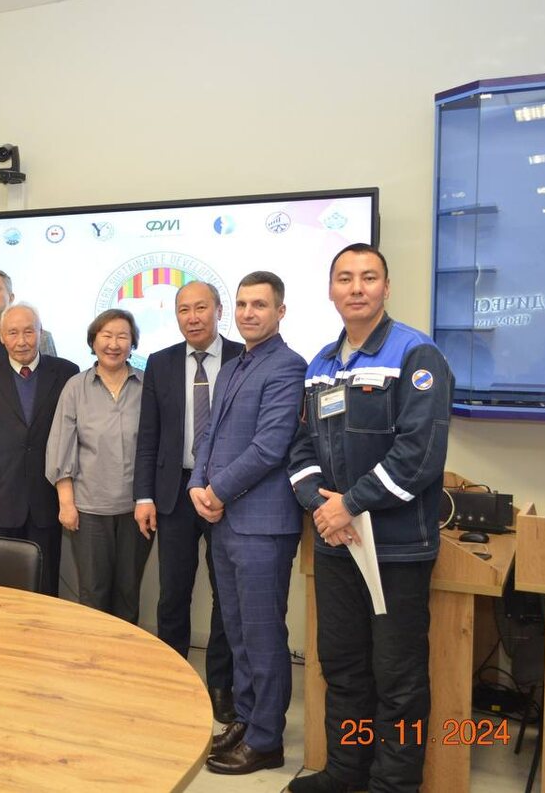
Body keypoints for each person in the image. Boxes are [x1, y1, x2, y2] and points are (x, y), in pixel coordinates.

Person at [287, 244, 453, 793]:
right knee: (343, 665)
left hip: (395, 548)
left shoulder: (416, 354)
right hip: (337, 544)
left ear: (386, 287)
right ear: (330, 290)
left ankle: (393, 784)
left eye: (368, 277)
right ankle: (346, 771)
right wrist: (322, 506)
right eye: (345, 278)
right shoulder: (321, 364)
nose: (356, 288)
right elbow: (302, 447)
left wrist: (350, 503)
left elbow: (419, 455)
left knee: (398, 676)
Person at [187, 272, 307, 775]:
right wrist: (197, 483)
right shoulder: (236, 364)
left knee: (261, 636)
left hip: (262, 525)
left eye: (259, 304)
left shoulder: (287, 365)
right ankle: (246, 719)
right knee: (236, 633)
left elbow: (270, 446)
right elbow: (209, 434)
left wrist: (215, 491)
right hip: (224, 522)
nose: (248, 313)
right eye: (241, 304)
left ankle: (266, 740)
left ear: (280, 311)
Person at [133, 280, 243, 723]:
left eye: (201, 308)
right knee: (172, 593)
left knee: (226, 594)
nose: (193, 317)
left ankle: (220, 685)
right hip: (174, 492)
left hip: (227, 492)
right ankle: (172, 680)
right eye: (184, 310)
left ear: (219, 310)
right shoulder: (159, 363)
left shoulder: (243, 357)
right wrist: (144, 495)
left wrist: (225, 487)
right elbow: (148, 436)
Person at [0, 303, 78, 595]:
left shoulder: (66, 372)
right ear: (2, 337)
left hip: (47, 496)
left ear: (41, 333)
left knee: (46, 583)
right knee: (1, 586)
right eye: (13, 333)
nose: (22, 340)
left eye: (29, 331)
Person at [46, 309, 151, 621]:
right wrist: (66, 503)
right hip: (89, 508)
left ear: (133, 343)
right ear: (93, 341)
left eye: (122, 336)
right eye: (106, 336)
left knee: (129, 592)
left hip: (136, 509)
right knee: (93, 593)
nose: (114, 344)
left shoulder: (147, 385)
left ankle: (126, 650)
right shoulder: (75, 387)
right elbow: (61, 447)